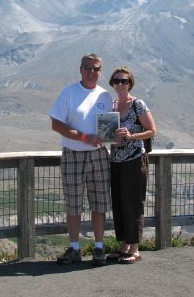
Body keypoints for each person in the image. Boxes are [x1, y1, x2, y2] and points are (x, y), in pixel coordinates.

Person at [49, 53, 113, 266]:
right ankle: (75, 248)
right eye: (88, 67)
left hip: (99, 155)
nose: (91, 72)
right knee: (73, 204)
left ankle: (98, 247)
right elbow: (56, 124)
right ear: (80, 69)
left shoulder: (105, 96)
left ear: (100, 72)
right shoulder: (69, 93)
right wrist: (85, 137)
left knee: (99, 203)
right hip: (73, 155)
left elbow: (108, 128)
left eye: (96, 68)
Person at [108, 66, 156, 264]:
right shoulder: (112, 106)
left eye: (124, 81)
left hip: (135, 160)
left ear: (130, 83)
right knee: (119, 202)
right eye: (117, 80)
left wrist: (132, 136)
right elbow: (109, 134)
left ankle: (135, 249)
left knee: (133, 203)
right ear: (112, 83)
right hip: (116, 161)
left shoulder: (138, 104)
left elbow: (152, 130)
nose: (120, 84)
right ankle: (124, 246)